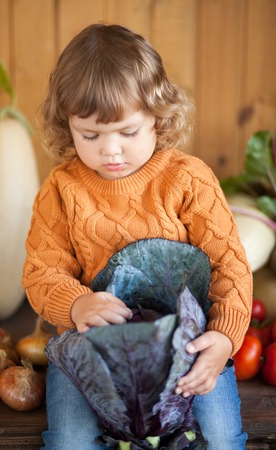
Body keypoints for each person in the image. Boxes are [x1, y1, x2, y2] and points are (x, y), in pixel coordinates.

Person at [22, 23, 252, 450]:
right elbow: (41, 272)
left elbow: (229, 266)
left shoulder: (188, 180)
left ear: (158, 118)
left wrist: (223, 337)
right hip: (90, 348)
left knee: (222, 438)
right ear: (66, 125)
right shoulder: (61, 189)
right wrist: (75, 304)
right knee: (68, 440)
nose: (110, 150)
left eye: (127, 132)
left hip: (187, 346)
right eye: (90, 135)